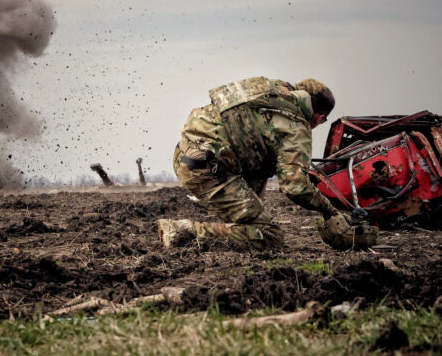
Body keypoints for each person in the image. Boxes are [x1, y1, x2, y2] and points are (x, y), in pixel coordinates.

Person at [158, 76, 376, 251]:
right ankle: (182, 232)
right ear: (319, 118)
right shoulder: (296, 125)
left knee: (263, 168)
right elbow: (295, 186)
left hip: (186, 154)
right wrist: (330, 211)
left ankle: (242, 225)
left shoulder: (270, 93)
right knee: (270, 237)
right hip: (208, 169)